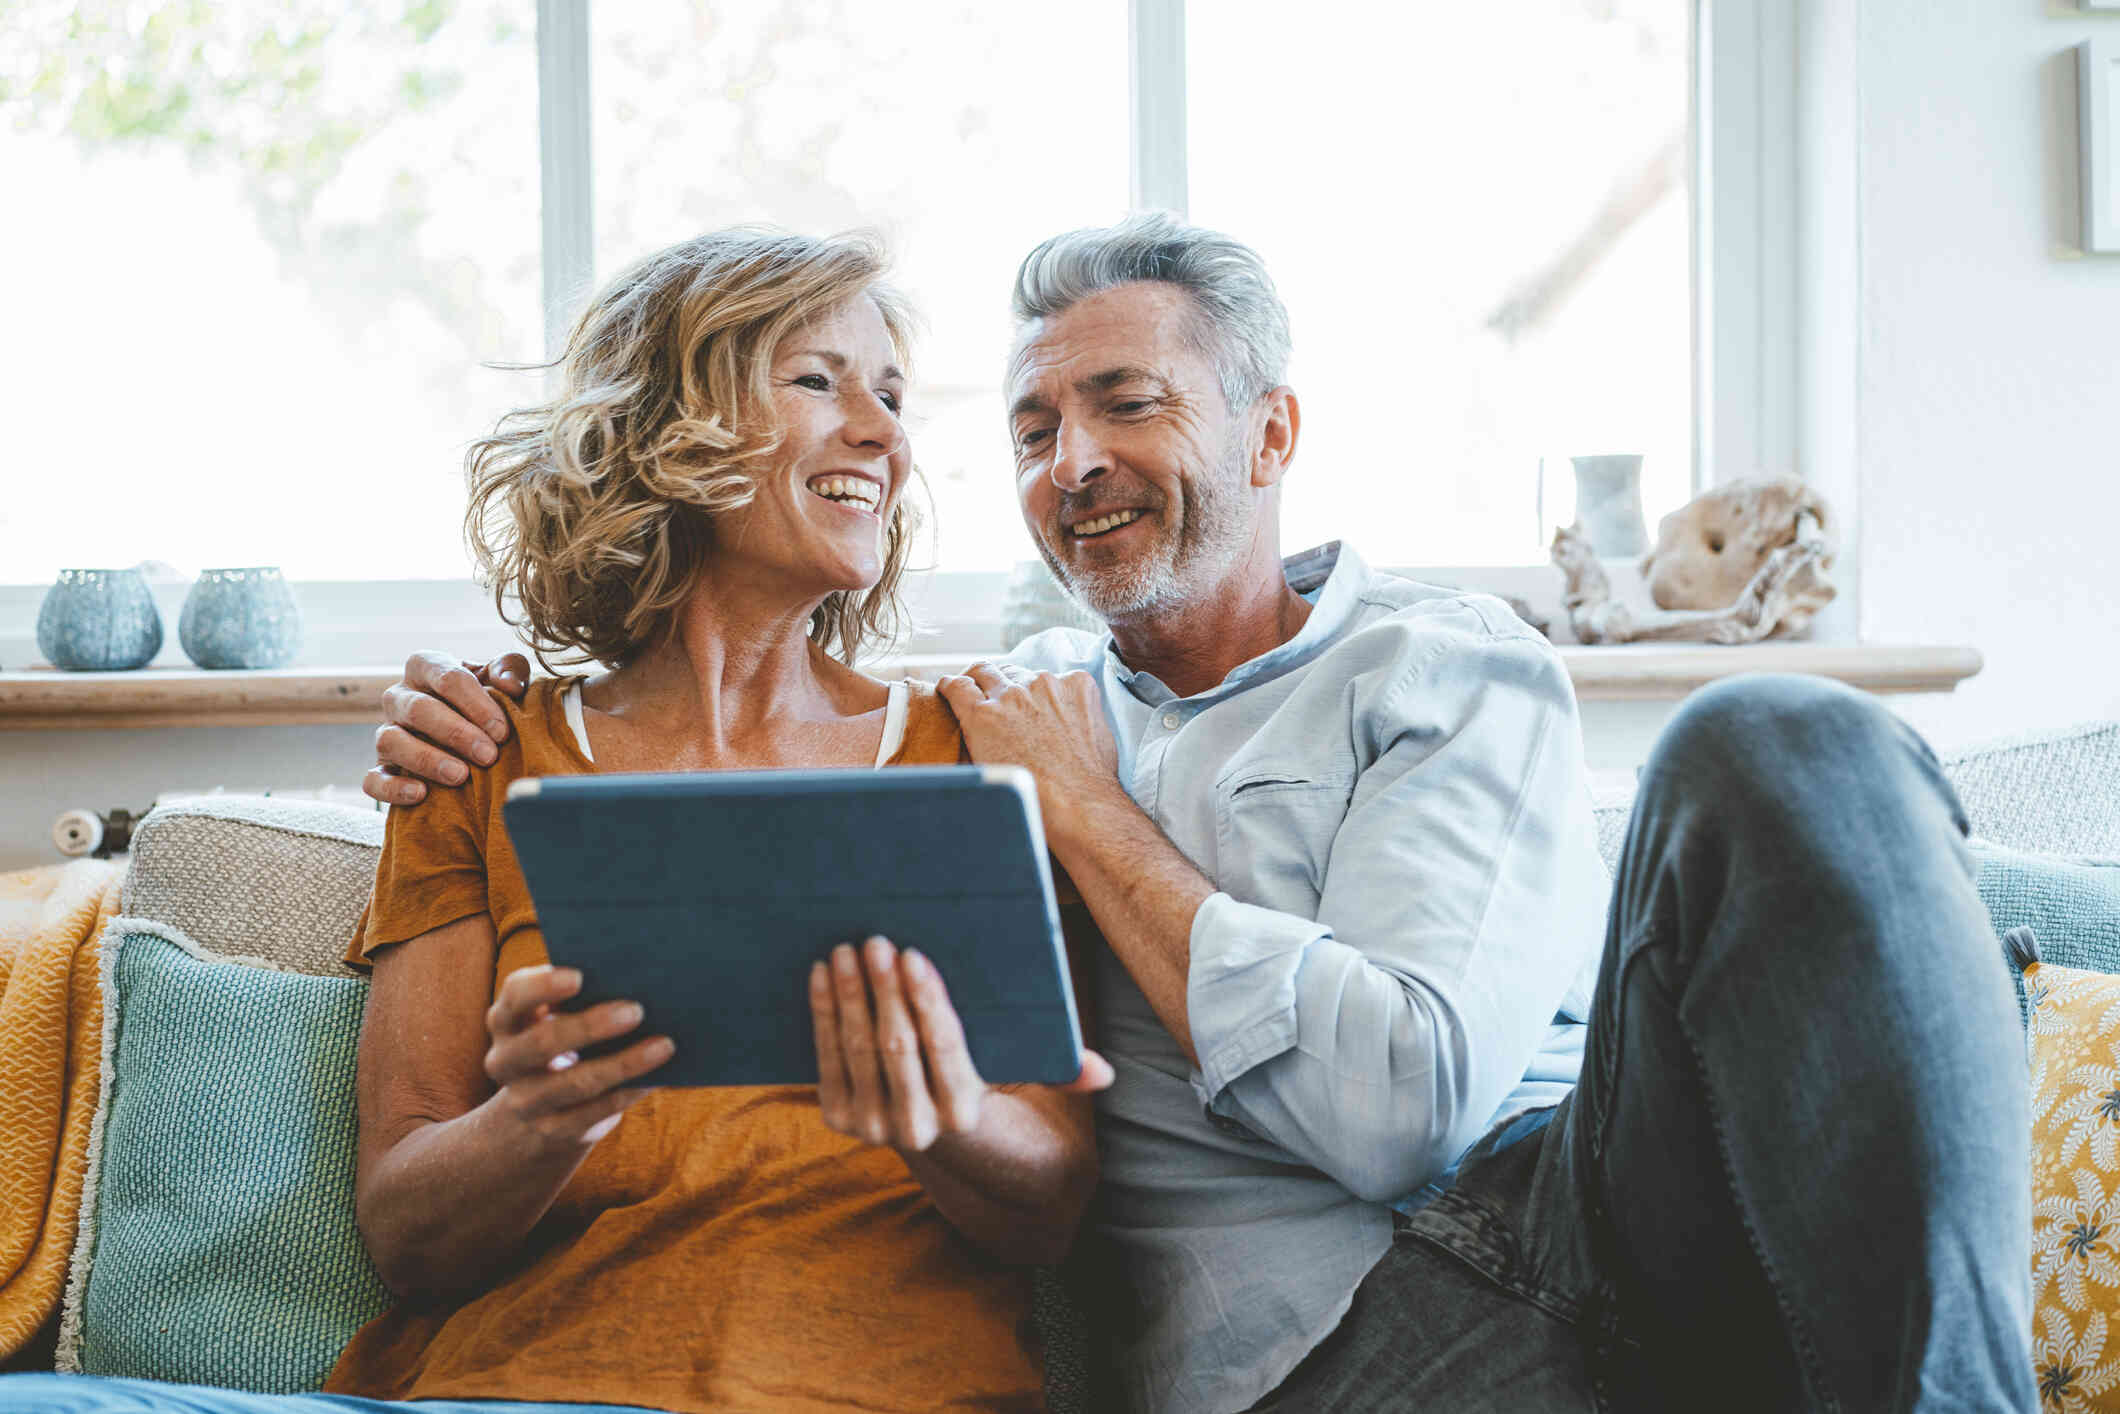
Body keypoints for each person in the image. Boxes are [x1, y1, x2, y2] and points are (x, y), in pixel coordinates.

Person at [370, 214, 2035, 1412]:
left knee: (1781, 735)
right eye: (1031, 428)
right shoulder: (995, 719)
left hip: (1576, 1216)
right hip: (1322, 1362)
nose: (1067, 459)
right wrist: (485, 747)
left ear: (1273, 428)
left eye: (1129, 403)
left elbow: (1406, 1110)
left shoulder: (1402, 674)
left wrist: (1091, 825)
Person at [4, 229, 1108, 1414]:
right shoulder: (480, 757)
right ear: (663, 431)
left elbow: (1050, 1203)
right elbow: (407, 1236)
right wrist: (541, 1118)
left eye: (890, 395)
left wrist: (944, 1117)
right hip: (509, 1388)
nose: (885, 434)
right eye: (814, 379)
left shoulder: (968, 751)